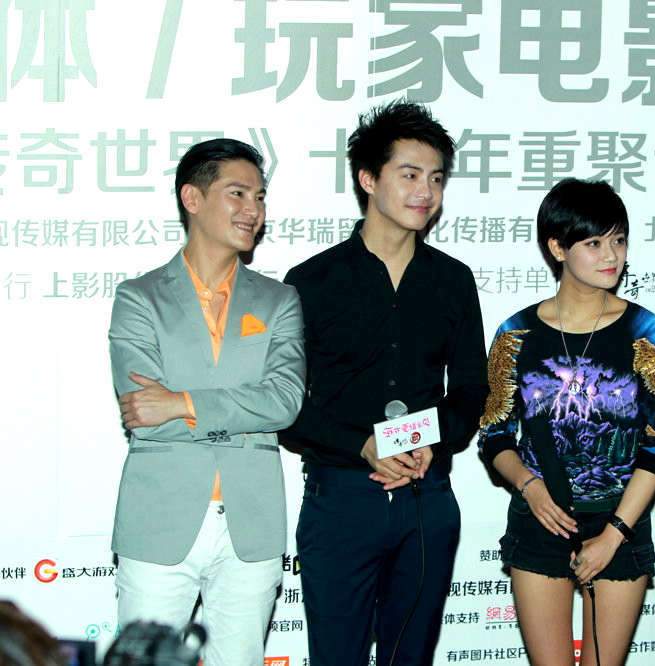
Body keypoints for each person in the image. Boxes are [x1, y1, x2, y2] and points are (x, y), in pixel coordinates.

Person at [281, 100, 488, 666]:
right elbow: (288, 406)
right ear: (368, 179)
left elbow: (470, 391)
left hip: (427, 497)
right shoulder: (312, 281)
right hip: (342, 499)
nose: (426, 191)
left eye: (436, 178)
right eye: (410, 175)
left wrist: (430, 440)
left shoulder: (452, 280)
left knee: (410, 658)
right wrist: (364, 444)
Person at [108, 139, 306, 666]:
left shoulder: (279, 300)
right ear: (192, 198)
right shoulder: (139, 297)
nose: (253, 210)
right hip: (159, 519)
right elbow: (144, 414)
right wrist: (235, 412)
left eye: (259, 197)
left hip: (251, 522)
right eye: (237, 193)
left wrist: (181, 402)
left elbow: (285, 401)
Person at [478, 178, 655, 666]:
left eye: (619, 240)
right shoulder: (517, 333)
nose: (611, 255)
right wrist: (530, 487)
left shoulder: (646, 332)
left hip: (620, 522)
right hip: (540, 518)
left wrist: (613, 534)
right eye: (594, 243)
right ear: (557, 247)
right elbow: (495, 433)